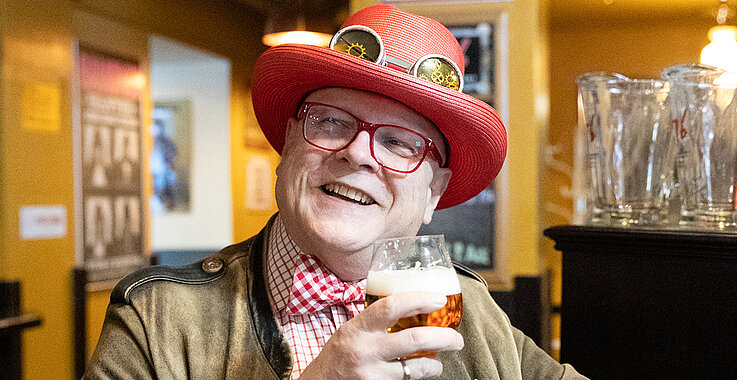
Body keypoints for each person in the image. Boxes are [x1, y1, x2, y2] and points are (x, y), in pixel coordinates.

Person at [84, 4, 587, 380]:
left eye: (398, 142)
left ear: (433, 193)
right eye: (329, 123)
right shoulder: (155, 318)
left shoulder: (470, 308)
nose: (360, 154)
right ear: (286, 144)